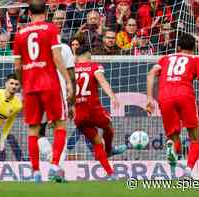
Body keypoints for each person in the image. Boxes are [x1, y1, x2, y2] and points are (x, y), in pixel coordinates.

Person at [146, 33, 199, 179]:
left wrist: (149, 98)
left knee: (174, 138)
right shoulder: (197, 60)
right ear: (194, 48)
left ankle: (172, 149)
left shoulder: (165, 58)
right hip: (185, 95)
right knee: (194, 138)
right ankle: (188, 172)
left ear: (178, 47)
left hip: (165, 96)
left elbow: (151, 74)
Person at [13, 0, 73, 183]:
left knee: (33, 129)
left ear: (29, 13)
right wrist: (68, 81)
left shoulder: (20, 34)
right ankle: (55, 166)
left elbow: (17, 66)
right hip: (50, 84)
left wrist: (23, 86)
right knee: (60, 125)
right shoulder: (50, 28)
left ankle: (36, 172)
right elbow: (56, 57)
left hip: (30, 86)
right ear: (46, 12)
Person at [74, 46, 126, 180]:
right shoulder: (93, 67)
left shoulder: (70, 70)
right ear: (86, 54)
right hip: (93, 109)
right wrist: (113, 97)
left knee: (97, 142)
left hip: (78, 113)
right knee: (109, 128)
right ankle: (109, 150)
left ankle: (110, 174)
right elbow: (102, 81)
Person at [37, 10, 77, 171]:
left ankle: (50, 156)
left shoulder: (39, 47)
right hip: (58, 93)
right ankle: (57, 165)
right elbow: (72, 77)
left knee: (39, 130)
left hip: (39, 92)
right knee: (60, 129)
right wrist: (72, 102)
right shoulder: (65, 49)